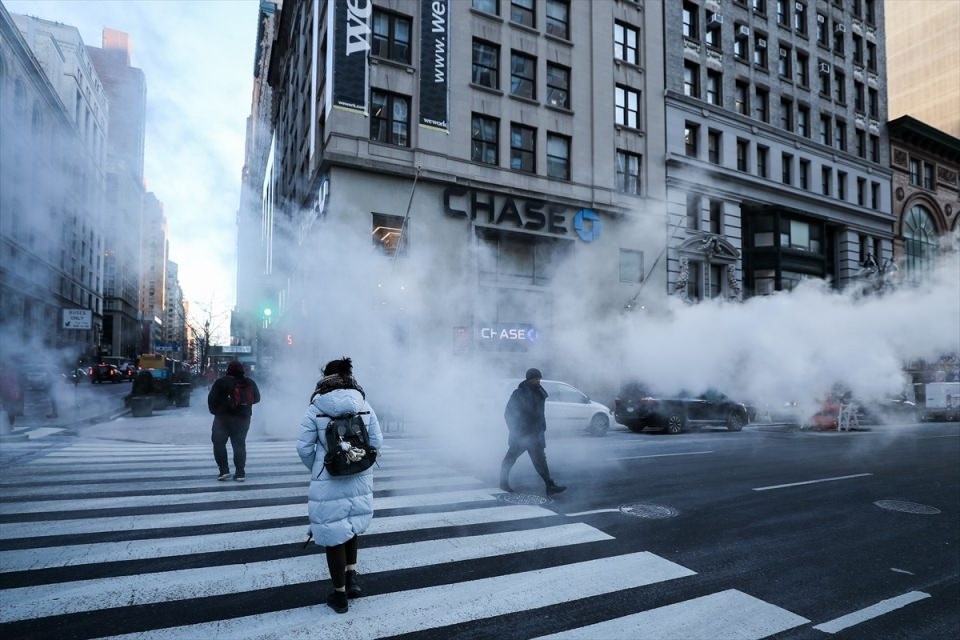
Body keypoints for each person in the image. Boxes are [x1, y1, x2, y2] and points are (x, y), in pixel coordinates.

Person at [296, 357, 383, 614]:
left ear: (326, 377)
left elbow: (303, 447)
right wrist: (359, 462)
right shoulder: (363, 403)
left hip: (328, 478)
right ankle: (352, 580)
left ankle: (339, 595)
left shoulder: (316, 406)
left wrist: (320, 465)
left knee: (333, 535)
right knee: (351, 525)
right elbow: (377, 441)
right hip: (359, 474)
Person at [500, 367, 566, 496]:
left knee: (541, 461)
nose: (538, 381)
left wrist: (542, 428)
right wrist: (515, 430)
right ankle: (503, 482)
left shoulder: (539, 392)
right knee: (510, 459)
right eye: (536, 379)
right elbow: (508, 414)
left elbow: (540, 414)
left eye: (539, 378)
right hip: (521, 434)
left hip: (535, 434)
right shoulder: (518, 394)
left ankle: (549, 485)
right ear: (529, 379)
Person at [207, 360, 260, 482]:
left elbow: (211, 400)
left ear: (228, 370)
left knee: (219, 443)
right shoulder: (249, 382)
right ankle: (240, 472)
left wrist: (217, 411)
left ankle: (224, 470)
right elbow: (257, 398)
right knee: (239, 445)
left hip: (222, 419)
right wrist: (244, 405)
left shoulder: (221, 382)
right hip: (243, 419)